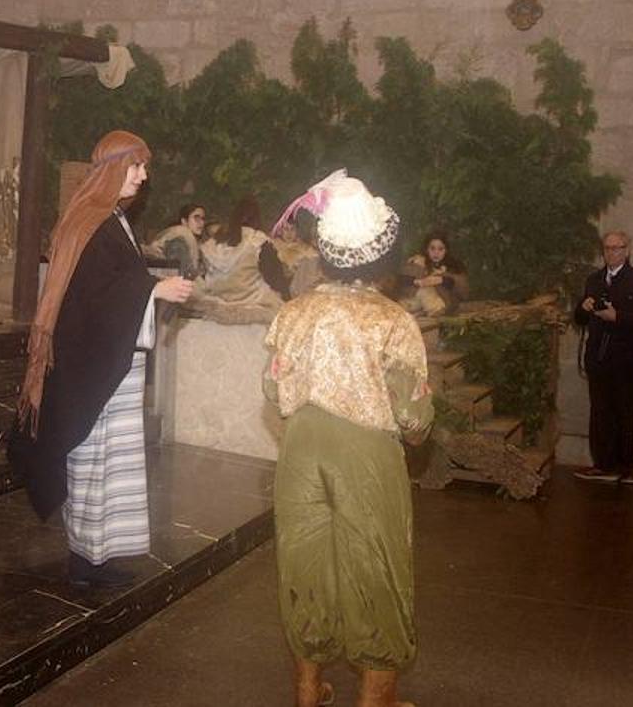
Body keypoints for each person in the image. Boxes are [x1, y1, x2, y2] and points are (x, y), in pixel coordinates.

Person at [264, 170, 433, 707]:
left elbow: (271, 391)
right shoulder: (392, 320)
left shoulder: (293, 312)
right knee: (376, 565)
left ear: (329, 251)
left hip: (300, 447)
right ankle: (375, 698)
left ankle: (308, 689)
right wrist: (414, 433)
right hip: (365, 451)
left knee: (304, 561)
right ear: (379, 255)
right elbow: (415, 417)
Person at [8, 130, 193, 588]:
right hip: (94, 367)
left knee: (114, 462)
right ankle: (85, 561)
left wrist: (147, 287)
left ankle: (102, 553)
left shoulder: (111, 217)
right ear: (114, 168)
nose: (144, 176)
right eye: (137, 166)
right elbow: (90, 295)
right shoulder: (92, 219)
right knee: (94, 460)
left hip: (114, 362)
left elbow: (110, 281)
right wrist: (154, 288)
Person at [573, 230, 633, 484]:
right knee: (599, 413)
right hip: (598, 358)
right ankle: (602, 464)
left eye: (617, 248)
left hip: (626, 361)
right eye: (608, 248)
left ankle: (625, 468)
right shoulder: (594, 280)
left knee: (624, 413)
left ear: (627, 250)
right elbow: (579, 319)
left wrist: (618, 317)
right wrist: (583, 307)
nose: (612, 253)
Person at [195, 194, 288, 314]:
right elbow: (275, 278)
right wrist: (287, 297)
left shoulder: (213, 242)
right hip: (253, 302)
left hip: (218, 302)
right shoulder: (257, 240)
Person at [398, 231, 469, 317]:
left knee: (426, 292)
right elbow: (402, 281)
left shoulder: (454, 265)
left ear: (446, 250)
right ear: (427, 249)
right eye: (432, 248)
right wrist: (417, 281)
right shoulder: (420, 261)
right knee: (404, 306)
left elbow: (463, 291)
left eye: (440, 249)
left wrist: (441, 280)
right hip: (417, 302)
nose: (436, 253)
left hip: (442, 305)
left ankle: (430, 313)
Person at [147, 203, 207, 279]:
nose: (201, 223)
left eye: (203, 219)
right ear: (184, 221)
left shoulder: (190, 240)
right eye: (196, 218)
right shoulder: (179, 241)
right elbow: (180, 275)